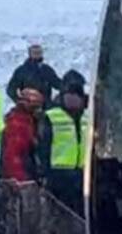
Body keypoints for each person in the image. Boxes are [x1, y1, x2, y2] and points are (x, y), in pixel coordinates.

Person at [38, 71, 89, 215]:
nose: (72, 98)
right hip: (58, 177)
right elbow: (43, 148)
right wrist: (44, 174)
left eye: (76, 94)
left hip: (81, 175)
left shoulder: (87, 117)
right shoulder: (52, 116)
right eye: (69, 94)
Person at [0, 88, 45, 183]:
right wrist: (21, 180)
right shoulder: (19, 124)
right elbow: (13, 155)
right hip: (21, 178)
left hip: (26, 175)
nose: (39, 111)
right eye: (36, 107)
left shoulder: (29, 122)